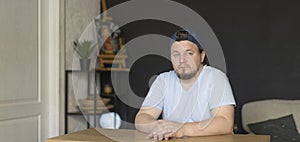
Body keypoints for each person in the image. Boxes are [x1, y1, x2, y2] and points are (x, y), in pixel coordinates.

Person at [135, 30, 236, 141]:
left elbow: (225, 123)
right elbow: (142, 117)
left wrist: (182, 129)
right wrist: (157, 127)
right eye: (176, 54)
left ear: (201, 56)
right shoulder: (163, 80)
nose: (182, 60)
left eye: (189, 53)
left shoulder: (216, 78)